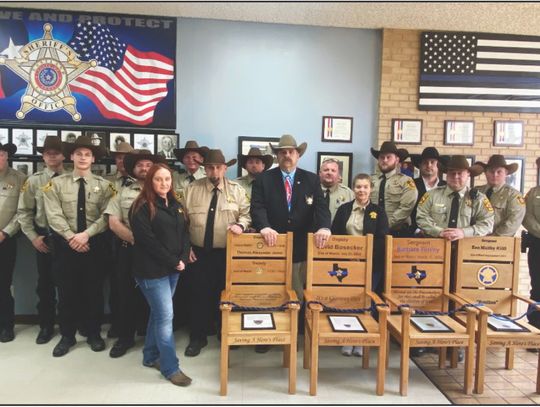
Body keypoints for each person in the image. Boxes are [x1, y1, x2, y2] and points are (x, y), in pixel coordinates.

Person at [251, 134, 331, 337]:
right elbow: (257, 207)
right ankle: (271, 332)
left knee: (298, 292)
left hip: (301, 248)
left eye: (291, 152)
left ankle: (295, 333)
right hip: (272, 245)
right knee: (272, 290)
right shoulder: (264, 179)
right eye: (282, 152)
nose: (287, 155)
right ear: (277, 155)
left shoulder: (311, 179)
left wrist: (324, 227)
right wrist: (264, 227)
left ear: (298, 155)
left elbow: (321, 208)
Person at [43, 135, 115, 357]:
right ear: (71, 156)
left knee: (94, 292)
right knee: (66, 293)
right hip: (65, 247)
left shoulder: (105, 186)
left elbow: (107, 215)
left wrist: (85, 235)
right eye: (79, 154)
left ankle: (93, 334)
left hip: (94, 245)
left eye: (87, 154)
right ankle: (67, 336)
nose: (83, 158)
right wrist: (71, 237)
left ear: (93, 159)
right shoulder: (55, 184)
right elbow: (53, 215)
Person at [182, 150, 250, 357]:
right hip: (198, 252)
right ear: (205, 168)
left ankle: (225, 333)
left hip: (227, 253)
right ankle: (197, 337)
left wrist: (241, 225)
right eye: (210, 167)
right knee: (198, 295)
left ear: (225, 169)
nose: (214, 171)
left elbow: (247, 215)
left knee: (226, 295)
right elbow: (181, 222)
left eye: (218, 167)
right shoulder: (191, 189)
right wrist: (186, 248)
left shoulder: (237, 190)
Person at [129, 163, 192, 387]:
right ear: (150, 181)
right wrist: (175, 261)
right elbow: (149, 243)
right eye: (158, 179)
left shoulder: (176, 204)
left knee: (158, 314)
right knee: (165, 317)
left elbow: (185, 233)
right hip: (151, 272)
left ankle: (150, 355)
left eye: (167, 179)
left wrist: (183, 258)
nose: (163, 183)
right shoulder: (141, 207)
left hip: (173, 269)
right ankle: (170, 367)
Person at [105, 150, 166, 358]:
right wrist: (136, 240)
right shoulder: (122, 192)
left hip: (156, 254)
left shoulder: (163, 190)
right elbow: (113, 221)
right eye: (140, 165)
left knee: (155, 297)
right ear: (133, 169)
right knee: (125, 294)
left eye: (149, 165)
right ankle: (125, 338)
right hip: (128, 251)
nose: (144, 168)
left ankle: (152, 338)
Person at [332, 173, 389, 357]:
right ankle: (349, 338)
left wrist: (363, 257)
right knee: (349, 300)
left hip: (371, 264)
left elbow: (382, 239)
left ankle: (362, 340)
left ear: (370, 189)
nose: (361, 190)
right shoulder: (344, 209)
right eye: (358, 187)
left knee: (367, 300)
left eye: (365, 187)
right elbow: (336, 235)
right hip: (347, 264)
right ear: (353, 188)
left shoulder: (378, 212)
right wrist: (348, 257)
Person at [17, 136, 65, 344]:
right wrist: (34, 238)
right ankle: (46, 325)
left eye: (56, 152)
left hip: (67, 240)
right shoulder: (34, 181)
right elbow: (24, 212)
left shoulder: (72, 178)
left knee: (69, 284)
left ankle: (69, 323)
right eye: (48, 152)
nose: (52, 156)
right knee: (44, 285)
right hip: (44, 238)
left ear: (64, 155)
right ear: (43, 156)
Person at [416, 155, 494, 241]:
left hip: (466, 249)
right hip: (436, 248)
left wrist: (464, 232)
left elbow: (487, 224)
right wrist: (439, 232)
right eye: (452, 172)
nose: (455, 176)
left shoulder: (479, 199)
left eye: (460, 173)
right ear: (447, 174)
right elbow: (421, 217)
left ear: (468, 174)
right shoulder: (431, 195)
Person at [0, 142, 26, 343]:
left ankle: (6, 326)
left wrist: (5, 233)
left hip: (5, 241)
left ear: (7, 156)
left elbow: (22, 212)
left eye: (1, 154)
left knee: (3, 285)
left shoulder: (19, 179)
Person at [370, 141, 417, 237]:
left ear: (397, 160)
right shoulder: (369, 181)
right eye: (382, 157)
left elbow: (406, 208)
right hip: (372, 232)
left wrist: (384, 225)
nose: (385, 160)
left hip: (398, 233)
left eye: (389, 157)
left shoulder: (406, 181)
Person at [475, 155, 525, 236]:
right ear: (485, 173)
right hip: (474, 240)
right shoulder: (477, 192)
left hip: (500, 243)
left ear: (506, 173)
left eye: (499, 172)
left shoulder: (514, 195)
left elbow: (513, 221)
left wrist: (493, 238)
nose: (495, 175)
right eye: (491, 171)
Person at [409, 147, 448, 235]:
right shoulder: (410, 185)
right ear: (420, 165)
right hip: (416, 235)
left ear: (438, 165)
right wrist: (416, 230)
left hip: (443, 235)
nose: (429, 165)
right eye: (425, 162)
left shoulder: (447, 187)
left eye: (432, 162)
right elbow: (406, 211)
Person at [523, 157, 540, 344]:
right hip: (537, 245)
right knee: (537, 286)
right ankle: (535, 327)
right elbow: (526, 217)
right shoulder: (533, 194)